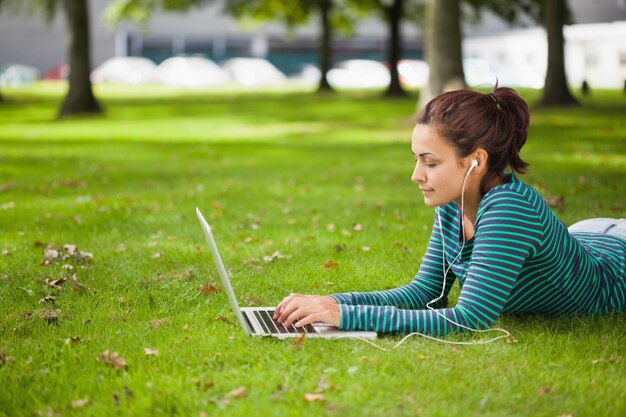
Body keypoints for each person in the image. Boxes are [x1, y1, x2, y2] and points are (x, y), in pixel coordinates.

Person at [274, 87, 626, 337]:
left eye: (430, 162)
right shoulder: (452, 202)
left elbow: (471, 318)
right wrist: (330, 304)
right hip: (589, 236)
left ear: (476, 161)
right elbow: (425, 293)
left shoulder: (510, 208)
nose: (416, 175)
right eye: (416, 159)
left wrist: (347, 317)